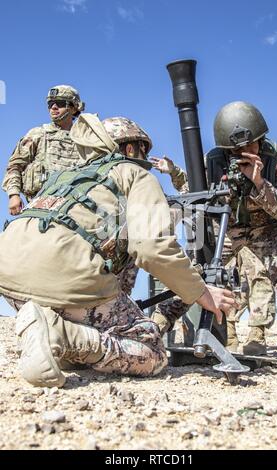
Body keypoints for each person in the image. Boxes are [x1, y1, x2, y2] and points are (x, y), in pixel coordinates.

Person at [0, 114, 236, 388]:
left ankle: (54, 331)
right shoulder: (134, 174)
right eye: (142, 149)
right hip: (63, 282)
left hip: (9, 278)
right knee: (152, 352)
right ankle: (60, 334)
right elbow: (151, 248)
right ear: (129, 149)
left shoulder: (67, 177)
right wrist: (202, 293)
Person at [151, 101, 277, 362]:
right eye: (236, 149)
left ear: (261, 139)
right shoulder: (216, 160)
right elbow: (195, 192)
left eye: (249, 145)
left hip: (268, 227)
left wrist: (259, 182)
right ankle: (151, 333)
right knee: (191, 271)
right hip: (226, 227)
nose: (243, 152)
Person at [2, 85, 86, 215]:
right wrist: (13, 195)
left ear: (74, 107)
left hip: (74, 208)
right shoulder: (38, 134)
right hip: (39, 207)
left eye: (59, 103)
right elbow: (14, 166)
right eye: (50, 104)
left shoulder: (84, 139)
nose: (53, 107)